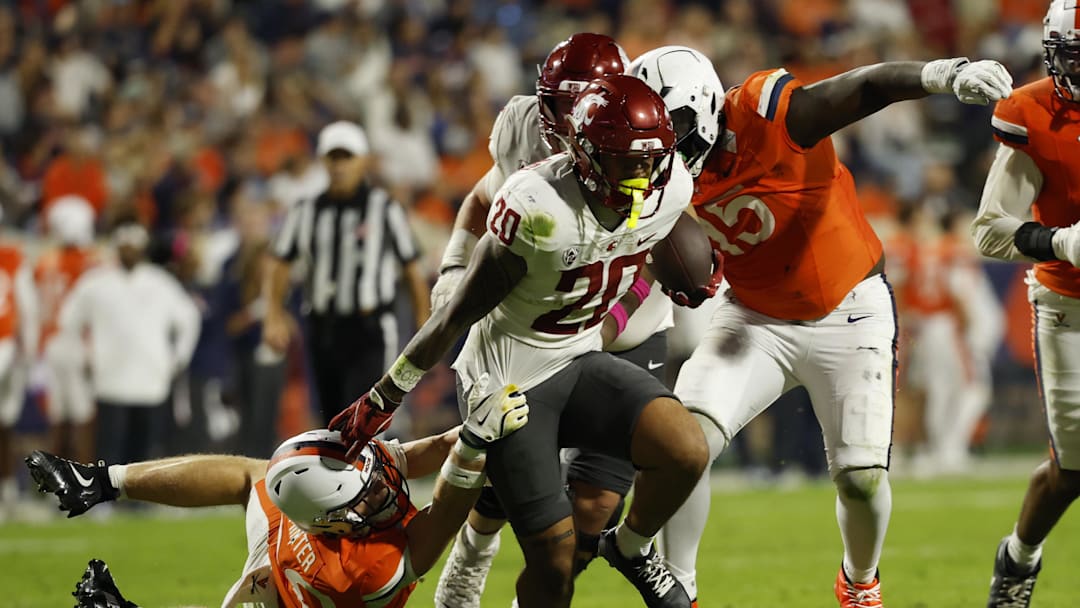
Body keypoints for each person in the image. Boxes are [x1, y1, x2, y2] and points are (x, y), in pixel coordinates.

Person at [631, 45, 1013, 607]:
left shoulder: (767, 112)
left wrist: (941, 74)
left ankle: (860, 581)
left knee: (860, 479)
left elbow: (862, 88)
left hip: (850, 307)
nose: (666, 146)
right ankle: (679, 587)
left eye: (675, 125)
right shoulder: (659, 175)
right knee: (685, 442)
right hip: (754, 317)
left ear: (703, 105)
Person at [332, 75, 714, 608]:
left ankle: (631, 549)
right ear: (585, 154)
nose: (644, 172)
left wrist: (658, 294)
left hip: (580, 353)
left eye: (652, 159)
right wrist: (382, 399)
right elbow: (456, 316)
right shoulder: (537, 205)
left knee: (686, 449)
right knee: (555, 564)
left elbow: (656, 252)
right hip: (509, 378)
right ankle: (469, 555)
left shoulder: (669, 186)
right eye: (628, 160)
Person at [428, 33, 681, 607]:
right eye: (561, 104)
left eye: (584, 102)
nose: (570, 121)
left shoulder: (641, 131)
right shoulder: (526, 127)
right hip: (542, 333)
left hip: (621, 330)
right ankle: (471, 556)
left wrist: (604, 326)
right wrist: (453, 265)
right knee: (512, 461)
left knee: (591, 507)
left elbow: (652, 258)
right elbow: (481, 195)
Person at [27, 383, 529, 608]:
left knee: (253, 475)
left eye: (371, 477)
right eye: (366, 498)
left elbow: (422, 454)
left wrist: (469, 426)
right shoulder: (367, 572)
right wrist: (477, 442)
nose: (382, 490)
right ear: (329, 522)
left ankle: (101, 481)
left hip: (283, 561)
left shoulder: (335, 482)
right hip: (303, 592)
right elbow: (447, 507)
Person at [970, 2, 1080, 605]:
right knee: (1075, 468)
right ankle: (1019, 558)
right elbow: (989, 231)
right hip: (1070, 303)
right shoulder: (1033, 113)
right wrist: (1061, 240)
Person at [264, 121, 430, 426]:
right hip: (323, 326)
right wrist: (273, 314)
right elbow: (279, 262)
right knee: (329, 417)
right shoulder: (305, 210)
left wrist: (423, 319)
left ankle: (367, 472)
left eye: (347, 157)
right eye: (333, 158)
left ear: (363, 160)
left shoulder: (384, 208)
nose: (340, 166)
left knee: (364, 414)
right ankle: (338, 473)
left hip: (369, 328)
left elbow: (411, 266)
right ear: (323, 161)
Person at [58, 217, 201, 467]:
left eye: (134, 248)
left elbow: (189, 318)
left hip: (151, 376)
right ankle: (107, 497)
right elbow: (69, 319)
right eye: (125, 248)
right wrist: (83, 355)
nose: (129, 253)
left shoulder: (160, 282)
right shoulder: (96, 282)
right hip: (110, 376)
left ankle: (141, 500)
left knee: (145, 445)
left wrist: (179, 357)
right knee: (110, 442)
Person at [34, 196, 98, 466]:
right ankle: (87, 481)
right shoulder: (89, 264)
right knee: (83, 417)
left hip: (50, 344)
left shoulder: (44, 262)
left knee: (57, 419)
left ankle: (56, 484)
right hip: (75, 342)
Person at [0, 219, 38, 518]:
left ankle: (8, 487)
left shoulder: (13, 257)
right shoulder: (13, 256)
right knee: (6, 420)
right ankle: (8, 487)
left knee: (6, 420)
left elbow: (26, 307)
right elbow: (27, 308)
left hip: (7, 345)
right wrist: (30, 347)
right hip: (7, 346)